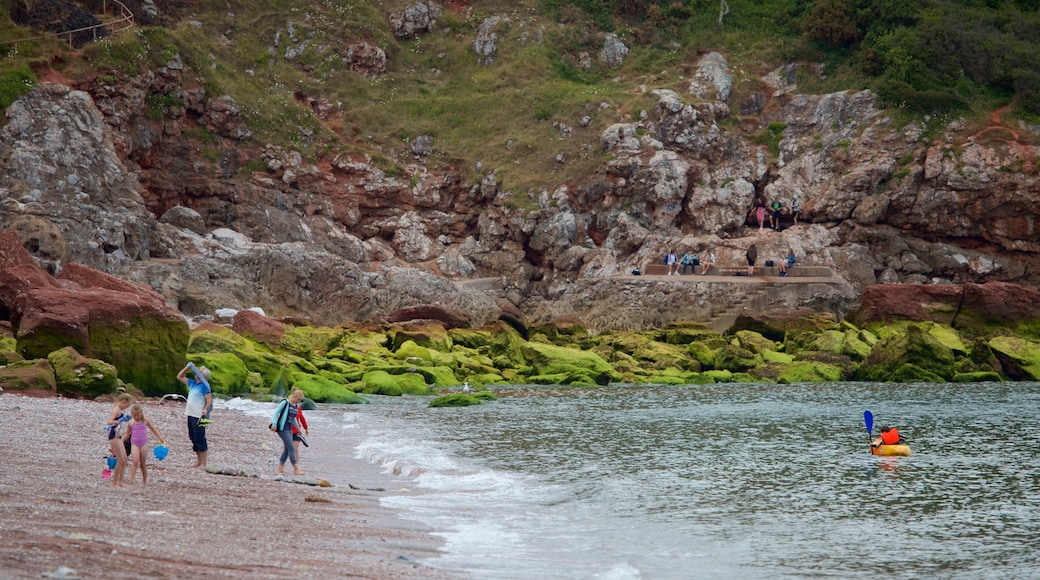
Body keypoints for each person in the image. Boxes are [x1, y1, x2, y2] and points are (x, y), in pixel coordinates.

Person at [177, 363, 212, 468]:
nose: (196, 372)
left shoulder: (204, 386)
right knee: (193, 437)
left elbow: (209, 400)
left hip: (199, 416)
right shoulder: (193, 383)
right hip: (190, 414)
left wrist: (205, 410)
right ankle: (198, 461)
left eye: (199, 371)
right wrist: (187, 367)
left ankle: (204, 463)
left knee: (200, 437)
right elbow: (180, 377)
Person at [122, 404, 166, 485]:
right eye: (134, 415)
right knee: (135, 461)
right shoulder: (131, 423)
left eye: (138, 415)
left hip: (143, 443)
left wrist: (160, 437)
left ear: (141, 413)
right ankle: (132, 479)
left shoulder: (145, 420)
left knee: (142, 463)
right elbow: (127, 434)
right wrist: (120, 441)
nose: (136, 417)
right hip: (134, 443)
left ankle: (144, 480)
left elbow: (153, 429)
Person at [270, 388, 306, 476]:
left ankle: (280, 467)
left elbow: (293, 418)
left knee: (287, 449)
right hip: (282, 428)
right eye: (298, 399)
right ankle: (296, 468)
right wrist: (274, 424)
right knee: (291, 448)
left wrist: (298, 428)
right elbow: (276, 413)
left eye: (300, 400)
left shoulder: (296, 406)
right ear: (294, 396)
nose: (299, 401)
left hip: (289, 428)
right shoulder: (285, 403)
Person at [105, 393, 133, 488]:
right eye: (127, 405)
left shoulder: (120, 410)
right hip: (114, 436)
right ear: (123, 402)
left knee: (124, 459)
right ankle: (114, 483)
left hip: (119, 436)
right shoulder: (116, 410)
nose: (126, 407)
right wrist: (116, 421)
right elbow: (109, 421)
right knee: (120, 460)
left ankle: (120, 482)